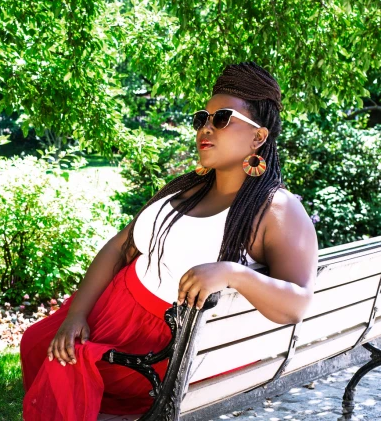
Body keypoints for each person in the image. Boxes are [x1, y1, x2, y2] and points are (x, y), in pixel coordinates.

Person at [20, 62, 319, 420]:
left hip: (157, 350)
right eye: (201, 119)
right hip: (109, 310)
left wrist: (233, 273)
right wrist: (77, 313)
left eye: (222, 119)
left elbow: (298, 304)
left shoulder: (276, 209)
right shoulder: (191, 187)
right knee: (38, 342)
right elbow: (121, 247)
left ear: (258, 137)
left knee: (63, 365)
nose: (206, 128)